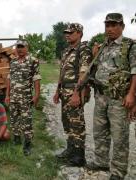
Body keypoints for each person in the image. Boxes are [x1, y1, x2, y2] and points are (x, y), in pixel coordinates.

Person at [86, 13, 136, 180]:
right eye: (107, 25)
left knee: (119, 135)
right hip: (101, 96)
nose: (110, 29)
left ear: (122, 26)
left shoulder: (130, 45)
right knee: (99, 132)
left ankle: (118, 172)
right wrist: (94, 55)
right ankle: (101, 161)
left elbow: (135, 72)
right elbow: (98, 69)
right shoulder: (102, 47)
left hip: (119, 99)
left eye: (114, 25)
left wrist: (131, 95)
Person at [53, 23, 92, 166]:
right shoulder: (66, 51)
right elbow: (62, 72)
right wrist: (57, 90)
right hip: (64, 91)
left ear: (80, 33)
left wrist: (76, 93)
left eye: (71, 32)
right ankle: (70, 150)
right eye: (66, 32)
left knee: (76, 123)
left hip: (75, 90)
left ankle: (79, 156)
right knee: (67, 122)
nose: (67, 34)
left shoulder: (83, 49)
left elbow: (84, 73)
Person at [5, 39, 41, 156]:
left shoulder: (33, 61)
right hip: (13, 96)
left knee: (26, 121)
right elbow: (9, 79)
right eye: (18, 47)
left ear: (27, 48)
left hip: (25, 97)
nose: (19, 49)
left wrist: (36, 95)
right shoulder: (13, 62)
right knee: (14, 119)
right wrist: (7, 95)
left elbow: (36, 78)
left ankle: (27, 144)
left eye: (22, 47)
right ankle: (16, 139)